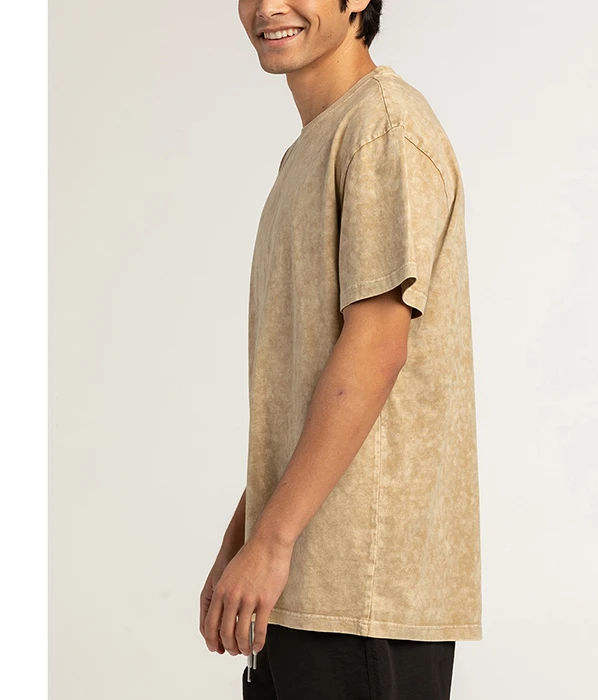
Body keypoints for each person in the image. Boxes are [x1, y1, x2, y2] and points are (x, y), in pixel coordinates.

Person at [199, 1, 482, 697]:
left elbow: (377, 345)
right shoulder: (320, 143)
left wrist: (270, 540)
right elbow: (311, 384)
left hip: (362, 589)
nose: (268, 7)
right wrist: (246, 536)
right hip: (305, 580)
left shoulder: (382, 129)